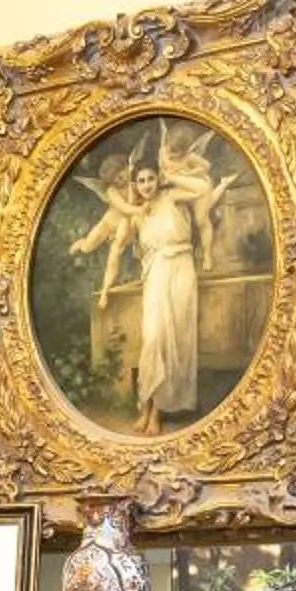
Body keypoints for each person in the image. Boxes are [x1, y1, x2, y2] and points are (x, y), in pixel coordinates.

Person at [66, 124, 239, 433]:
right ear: (135, 184)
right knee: (154, 338)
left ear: (157, 178)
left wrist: (169, 177)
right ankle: (148, 407)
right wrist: (88, 245)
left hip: (182, 268)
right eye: (141, 181)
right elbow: (114, 242)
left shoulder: (172, 196)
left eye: (150, 179)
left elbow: (201, 189)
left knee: (177, 339)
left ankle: (157, 412)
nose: (146, 185)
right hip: (156, 270)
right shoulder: (135, 212)